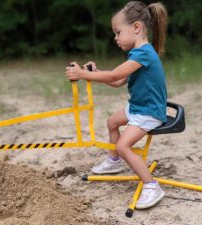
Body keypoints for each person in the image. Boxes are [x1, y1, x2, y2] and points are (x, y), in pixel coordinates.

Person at [65, 1, 168, 209]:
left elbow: (114, 75)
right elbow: (118, 82)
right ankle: (114, 161)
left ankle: (151, 185)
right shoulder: (137, 55)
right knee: (112, 122)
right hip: (139, 107)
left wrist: (83, 74)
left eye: (118, 32)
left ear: (136, 28)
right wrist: (93, 74)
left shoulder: (144, 54)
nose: (115, 38)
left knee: (123, 145)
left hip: (149, 111)